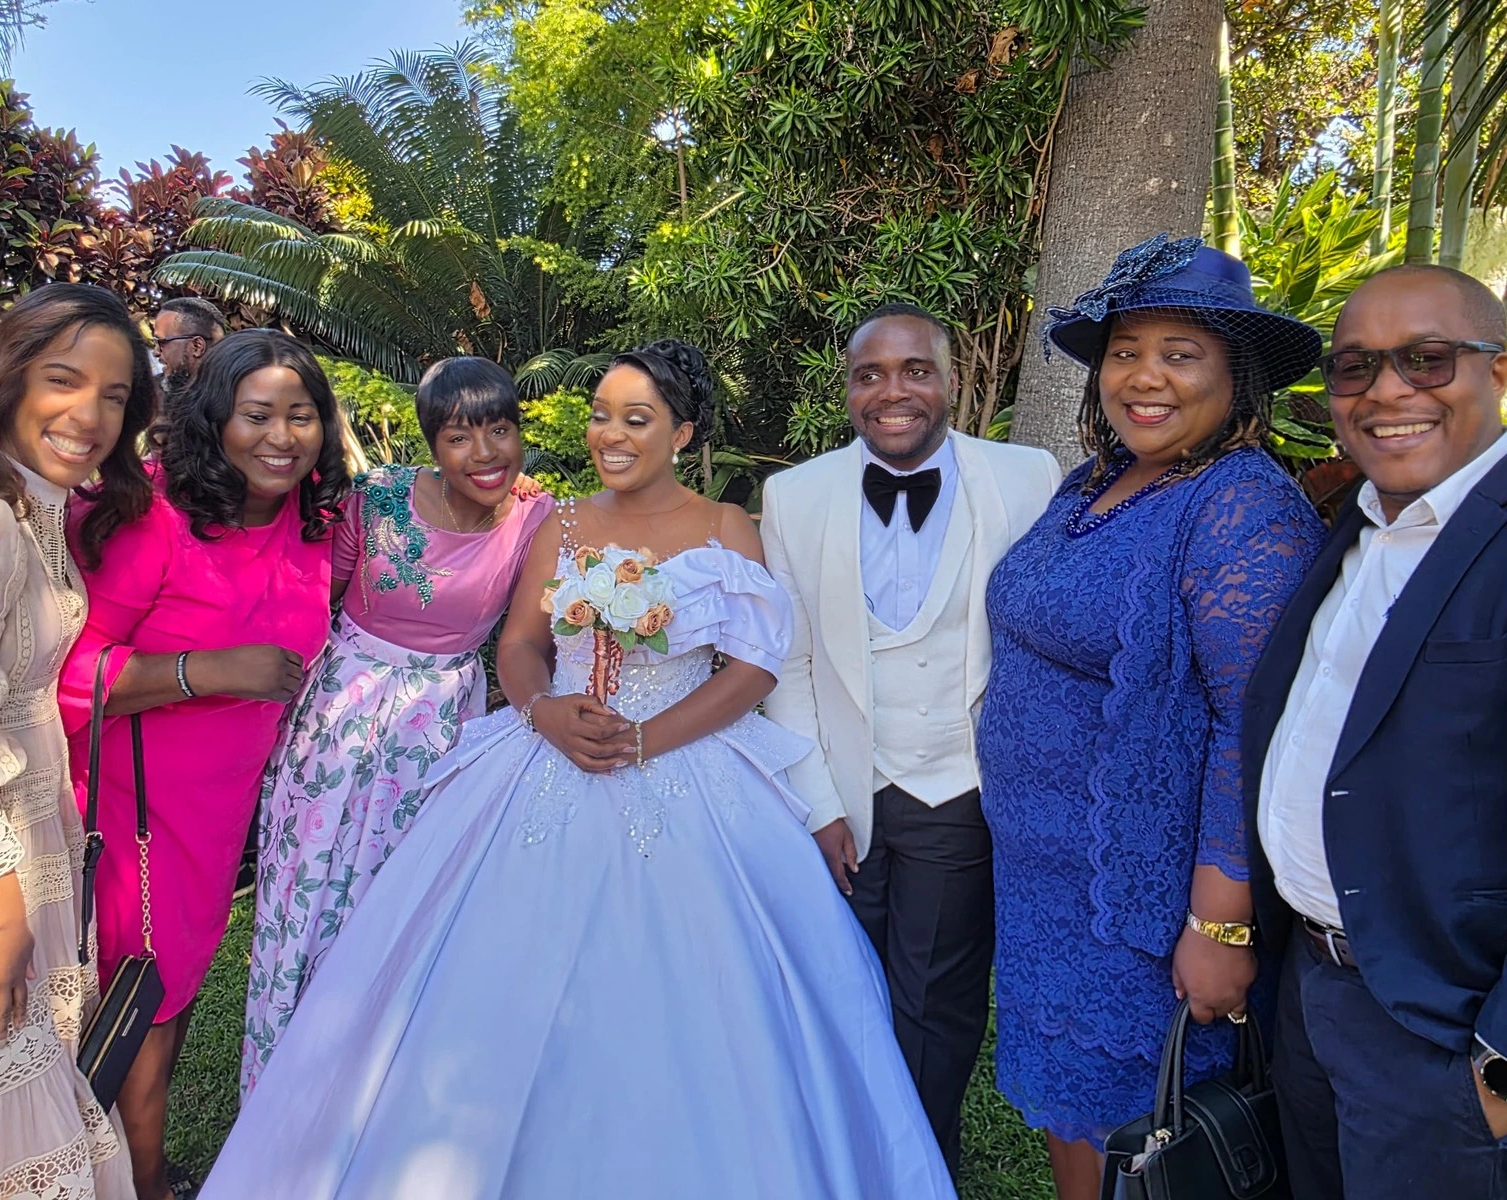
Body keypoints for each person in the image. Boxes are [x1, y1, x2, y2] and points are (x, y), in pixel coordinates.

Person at [199, 340, 956, 1200]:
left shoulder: (725, 525)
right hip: (545, 757)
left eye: (636, 419)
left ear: (682, 432)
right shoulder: (559, 523)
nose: (611, 435)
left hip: (686, 764)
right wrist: (543, 711)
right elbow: (522, 644)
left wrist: (647, 740)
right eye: (600, 417)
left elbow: (754, 668)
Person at [974, 235, 1327, 1199]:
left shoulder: (1241, 508)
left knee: (1153, 1148)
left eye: (1180, 353)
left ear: (1236, 374)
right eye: (1126, 351)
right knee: (1077, 1128)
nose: (1145, 376)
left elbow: (1253, 729)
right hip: (1050, 894)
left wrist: (1221, 928)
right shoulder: (1095, 482)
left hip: (1146, 912)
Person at [760, 302, 1060, 1166]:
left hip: (958, 786)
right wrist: (819, 805)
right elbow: (791, 664)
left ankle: (921, 1170)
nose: (893, 392)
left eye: (915, 370)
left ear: (953, 381)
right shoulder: (793, 496)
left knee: (935, 1006)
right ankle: (840, 1164)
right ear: (849, 390)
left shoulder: (1028, 477)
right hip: (840, 793)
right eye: (871, 375)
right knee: (838, 993)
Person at [56, 329, 349, 1200]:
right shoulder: (154, 517)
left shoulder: (312, 522)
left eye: (302, 415)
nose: (281, 437)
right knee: (136, 1003)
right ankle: (138, 1181)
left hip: (215, 815)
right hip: (127, 807)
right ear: (215, 418)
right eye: (257, 415)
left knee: (168, 992)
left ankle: (132, 1169)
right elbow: (64, 674)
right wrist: (206, 672)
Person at [1246, 264, 1507, 1200]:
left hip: (1440, 1025)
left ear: (1498, 371)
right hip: (1312, 987)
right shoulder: (1352, 525)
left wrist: (1497, 1060)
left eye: (1427, 359)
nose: (1388, 390)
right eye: (1356, 367)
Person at [241, 356, 553, 1097]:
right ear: (431, 445)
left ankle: (369, 1096)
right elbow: (318, 599)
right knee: (306, 886)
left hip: (440, 728)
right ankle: (278, 1089)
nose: (485, 454)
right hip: (339, 716)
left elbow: (531, 636)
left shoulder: (538, 518)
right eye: (459, 437)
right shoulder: (378, 498)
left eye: (500, 431)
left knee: (400, 901)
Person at [0, 283, 156, 1199]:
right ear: (9, 375)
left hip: (6, 866)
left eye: (115, 396)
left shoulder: (15, 500)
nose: (89, 415)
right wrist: (2, 918)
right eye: (64, 380)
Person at [150, 296, 225, 396]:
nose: (156, 352)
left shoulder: (234, 398)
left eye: (162, 342)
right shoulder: (151, 393)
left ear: (197, 346)